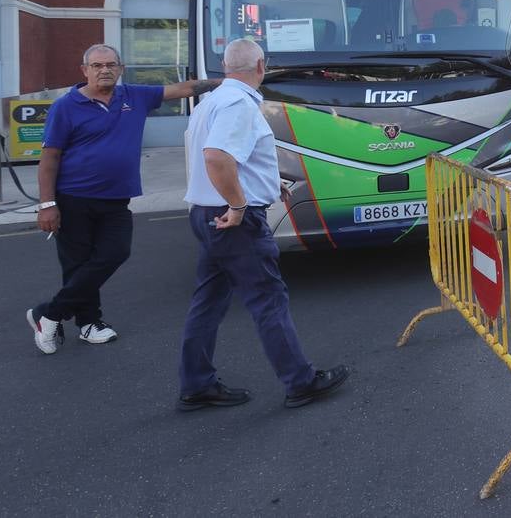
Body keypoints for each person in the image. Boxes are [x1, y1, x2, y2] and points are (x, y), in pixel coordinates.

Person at [176, 39, 349, 411]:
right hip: (232, 220)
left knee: (207, 301)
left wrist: (270, 184)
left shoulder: (211, 102)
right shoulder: (239, 103)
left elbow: (232, 159)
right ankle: (301, 382)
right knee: (268, 299)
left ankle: (196, 383)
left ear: (226, 67)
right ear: (260, 66)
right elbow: (218, 158)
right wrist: (239, 204)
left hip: (206, 215)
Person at [27, 44, 220, 354]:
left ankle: (48, 313)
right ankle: (90, 324)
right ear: (85, 70)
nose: (104, 70)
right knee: (77, 266)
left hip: (116, 199)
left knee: (114, 253)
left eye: (111, 64)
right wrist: (47, 203)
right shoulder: (66, 106)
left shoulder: (134, 95)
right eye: (97, 65)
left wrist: (228, 81)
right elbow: (50, 157)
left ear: (121, 68)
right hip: (73, 198)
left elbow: (184, 88)